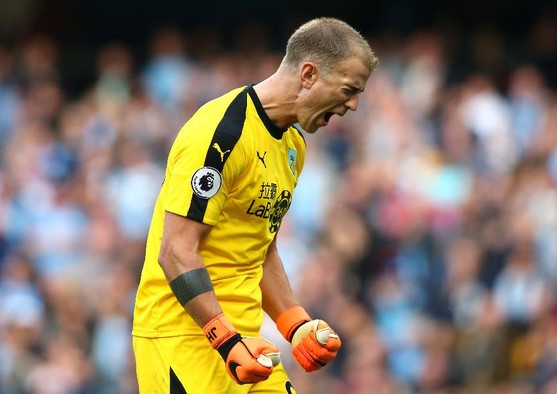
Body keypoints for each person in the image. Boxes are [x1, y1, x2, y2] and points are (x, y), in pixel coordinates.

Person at [132, 17, 378, 393]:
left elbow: (261, 249)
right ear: (309, 74)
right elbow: (175, 250)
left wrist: (295, 324)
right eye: (348, 89)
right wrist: (225, 339)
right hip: (184, 340)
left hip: (248, 345)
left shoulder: (292, 147)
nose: (354, 104)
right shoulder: (221, 133)